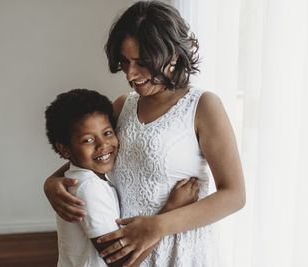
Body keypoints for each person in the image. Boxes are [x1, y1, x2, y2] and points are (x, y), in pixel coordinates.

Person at [44, 1, 246, 266]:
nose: (130, 73)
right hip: (127, 252)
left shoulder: (203, 106)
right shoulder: (121, 105)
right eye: (125, 61)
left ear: (173, 54)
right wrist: (50, 183)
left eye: (142, 62)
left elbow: (234, 195)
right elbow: (87, 160)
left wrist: (159, 225)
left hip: (180, 250)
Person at [45, 88, 200, 267]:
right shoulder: (89, 189)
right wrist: (171, 210)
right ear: (64, 149)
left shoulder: (86, 180)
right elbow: (121, 262)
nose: (103, 145)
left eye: (107, 133)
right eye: (88, 140)